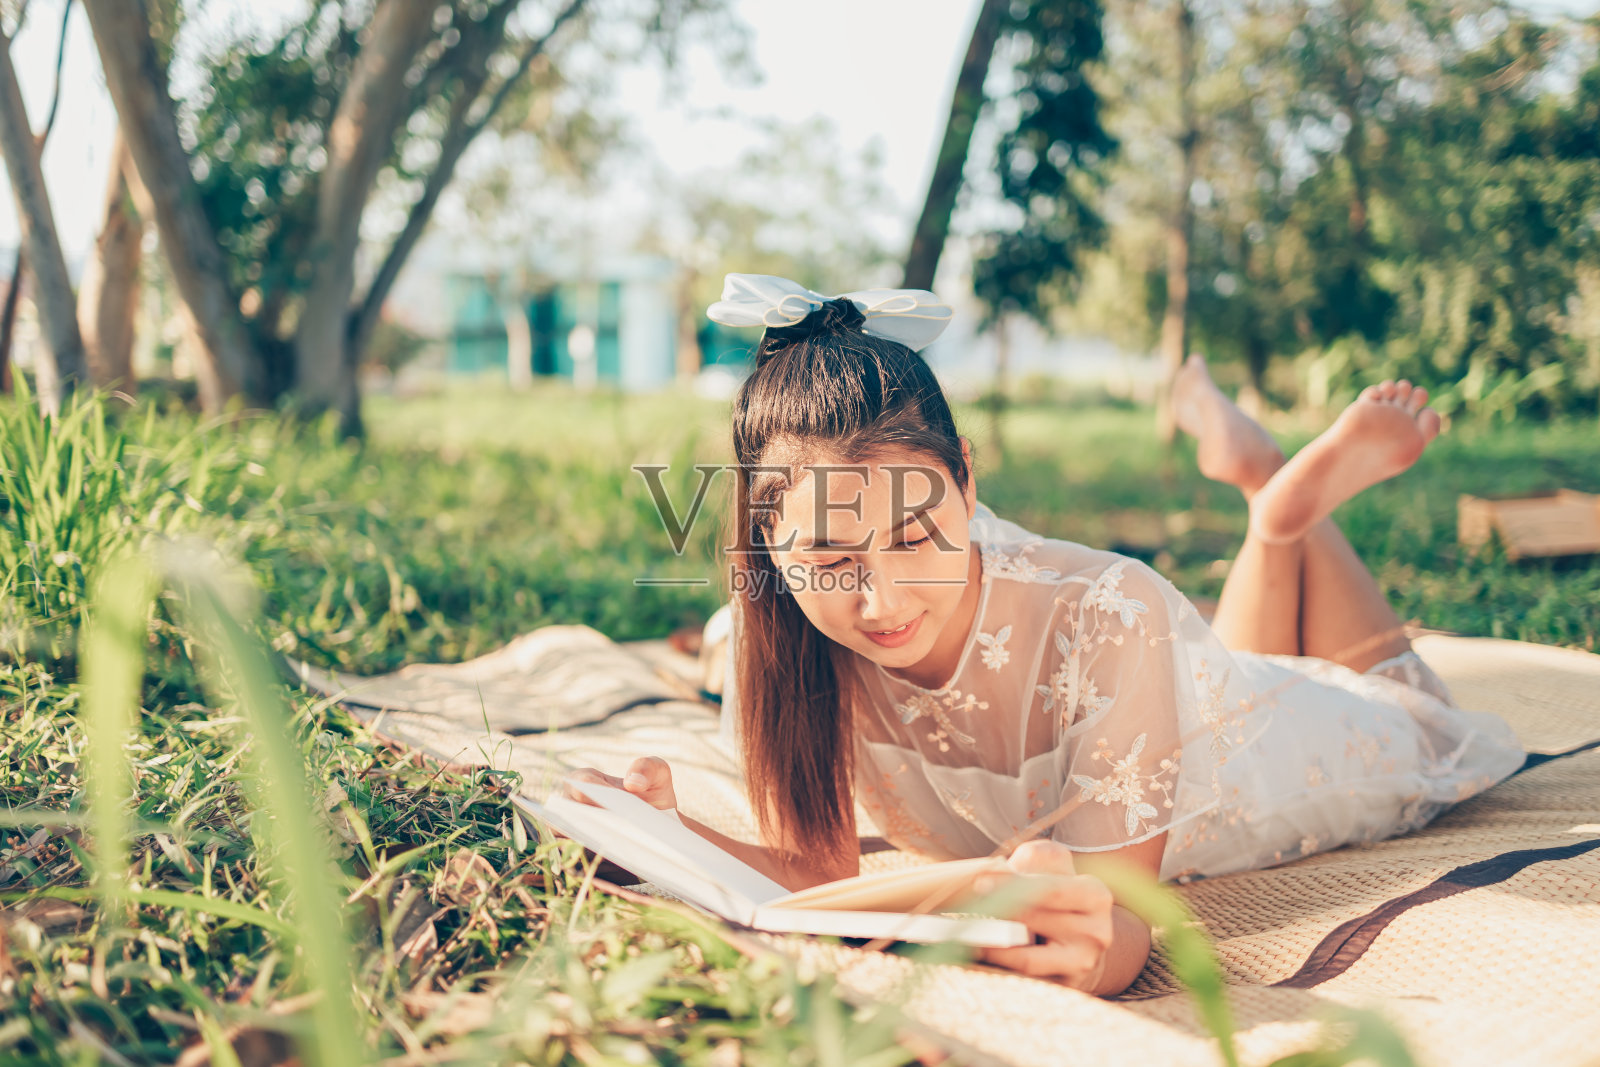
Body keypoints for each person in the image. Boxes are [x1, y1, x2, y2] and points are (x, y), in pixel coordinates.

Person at [567, 275, 1525, 996]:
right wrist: (656, 831)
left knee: (1406, 701)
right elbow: (818, 875)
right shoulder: (767, 636)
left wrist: (1077, 939)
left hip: (1297, 747)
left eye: (915, 534)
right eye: (826, 556)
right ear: (763, 537)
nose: (882, 597)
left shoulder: (1109, 609)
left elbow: (1121, 922)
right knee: (1240, 665)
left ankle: (1278, 518)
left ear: (969, 481)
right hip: (1210, 688)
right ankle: (1264, 502)